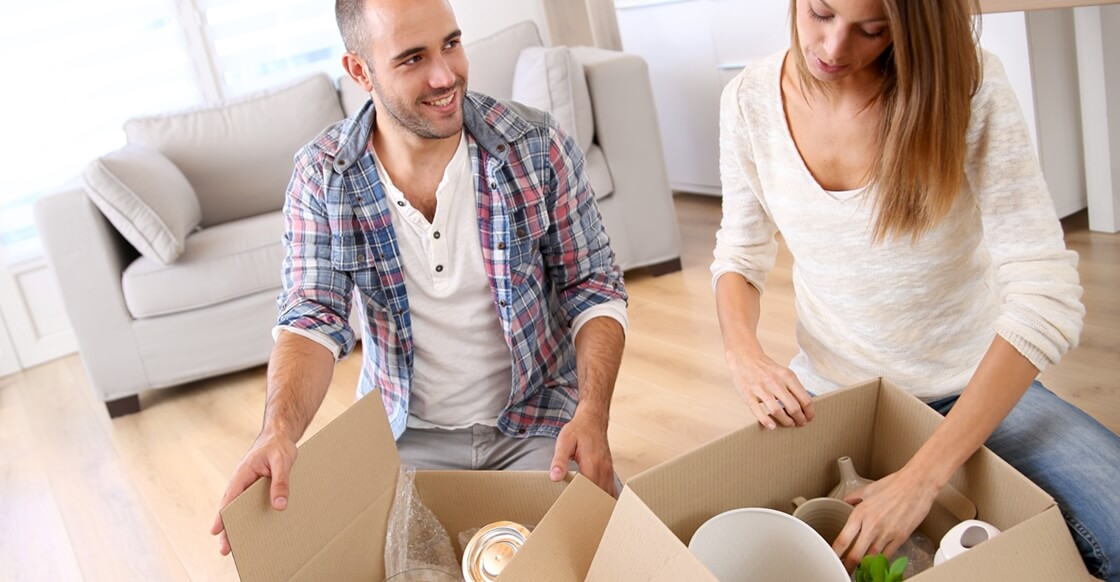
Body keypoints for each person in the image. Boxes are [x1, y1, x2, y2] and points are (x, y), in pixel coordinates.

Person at [712, 0, 1120, 579]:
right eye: (820, 13)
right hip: (831, 393)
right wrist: (743, 353)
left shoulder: (971, 88)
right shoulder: (748, 100)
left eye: (870, 30)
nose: (831, 49)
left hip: (971, 386)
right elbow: (740, 253)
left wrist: (922, 479)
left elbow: (1045, 293)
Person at [210, 0, 628, 556]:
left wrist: (592, 415)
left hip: (538, 425)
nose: (444, 76)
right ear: (361, 72)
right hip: (405, 442)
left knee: (606, 559)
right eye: (412, 59)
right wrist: (277, 433)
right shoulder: (323, 176)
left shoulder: (537, 146)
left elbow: (593, 287)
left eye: (451, 44)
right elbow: (313, 318)